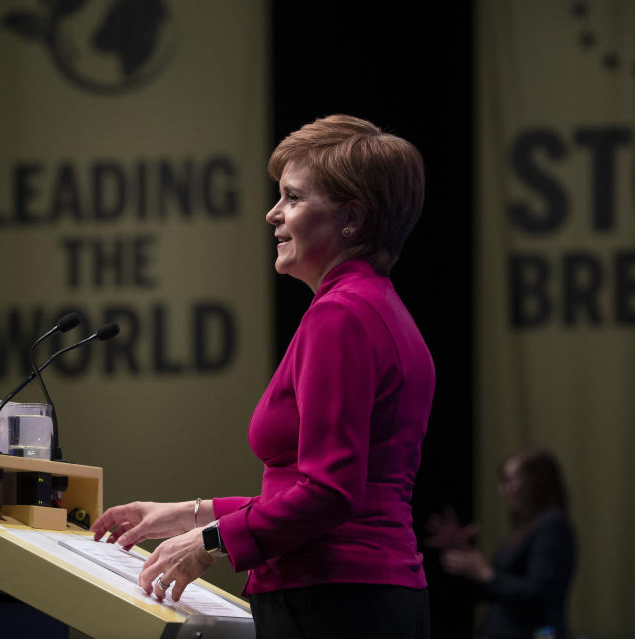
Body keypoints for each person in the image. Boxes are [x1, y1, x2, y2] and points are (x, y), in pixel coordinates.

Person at [91, 115, 434, 639]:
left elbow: (329, 493)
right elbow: (321, 488)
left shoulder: (341, 315)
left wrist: (210, 541)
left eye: (293, 198)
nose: (272, 214)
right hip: (365, 595)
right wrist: (190, 514)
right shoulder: (378, 307)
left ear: (352, 218)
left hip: (334, 603)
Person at [427, 448, 577, 639]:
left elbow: (540, 595)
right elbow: (495, 591)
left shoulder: (552, 526)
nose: (503, 489)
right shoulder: (527, 529)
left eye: (510, 480)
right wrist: (463, 553)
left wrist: (486, 574)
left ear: (536, 483)